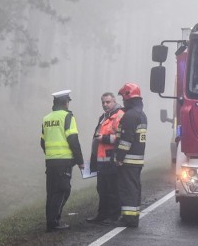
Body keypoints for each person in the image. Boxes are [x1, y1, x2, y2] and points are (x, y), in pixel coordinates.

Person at [40, 90, 84, 232]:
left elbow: (42, 141)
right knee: (63, 190)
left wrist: (50, 154)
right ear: (66, 102)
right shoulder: (67, 117)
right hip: (64, 161)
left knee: (52, 192)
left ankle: (51, 221)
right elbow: (73, 140)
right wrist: (80, 161)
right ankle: (54, 223)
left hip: (51, 161)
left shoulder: (46, 118)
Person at [86, 92, 124, 225]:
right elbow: (96, 138)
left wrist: (104, 138)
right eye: (103, 102)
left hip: (112, 159)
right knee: (101, 188)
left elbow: (121, 138)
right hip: (101, 159)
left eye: (108, 102)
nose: (105, 105)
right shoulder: (103, 117)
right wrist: (93, 158)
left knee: (112, 189)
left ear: (114, 101)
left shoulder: (119, 115)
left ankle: (114, 215)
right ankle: (102, 215)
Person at [113, 83, 147, 228]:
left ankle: (129, 219)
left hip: (128, 160)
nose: (122, 101)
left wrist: (119, 158)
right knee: (134, 188)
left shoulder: (130, 116)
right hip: (137, 160)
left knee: (127, 189)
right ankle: (133, 216)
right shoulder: (141, 114)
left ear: (128, 96)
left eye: (123, 98)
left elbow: (126, 140)